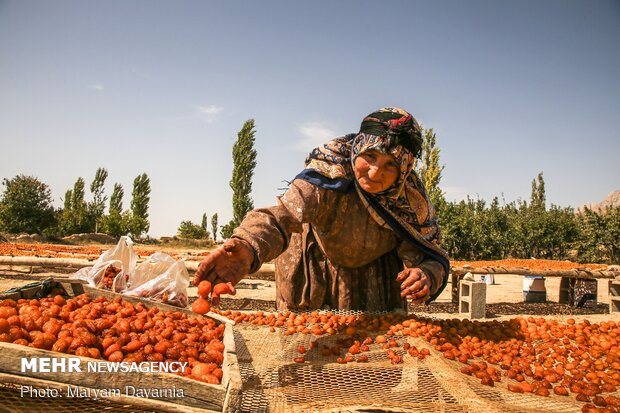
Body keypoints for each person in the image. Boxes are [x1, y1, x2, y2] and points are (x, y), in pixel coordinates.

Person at [194, 107, 450, 312]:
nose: (374, 172)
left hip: (373, 279)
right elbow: (279, 216)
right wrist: (248, 246)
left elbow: (430, 255)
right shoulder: (330, 173)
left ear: (404, 170)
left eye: (390, 165)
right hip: (313, 272)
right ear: (358, 147)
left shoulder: (409, 202)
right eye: (369, 156)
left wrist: (426, 274)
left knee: (370, 357)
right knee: (305, 354)